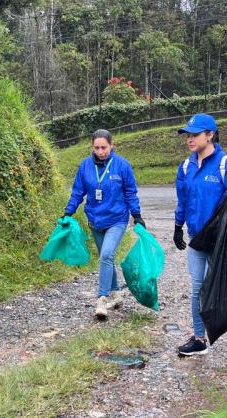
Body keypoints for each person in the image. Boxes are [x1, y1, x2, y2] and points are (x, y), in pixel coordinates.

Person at [172, 113, 227, 356]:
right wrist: (178, 226)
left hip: (221, 238)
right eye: (187, 135)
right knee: (198, 288)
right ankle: (199, 339)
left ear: (210, 135)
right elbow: (183, 201)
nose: (189, 139)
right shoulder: (186, 166)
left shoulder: (226, 164)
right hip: (197, 238)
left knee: (224, 287)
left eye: (195, 134)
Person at [64, 129, 145, 318]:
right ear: (92, 147)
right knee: (105, 258)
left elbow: (130, 192)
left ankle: (102, 299)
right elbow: (77, 192)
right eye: (97, 148)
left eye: (104, 147)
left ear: (112, 145)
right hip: (95, 220)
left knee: (106, 255)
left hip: (117, 219)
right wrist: (68, 212)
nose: (101, 151)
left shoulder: (122, 166)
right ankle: (116, 294)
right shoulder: (85, 166)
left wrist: (137, 215)